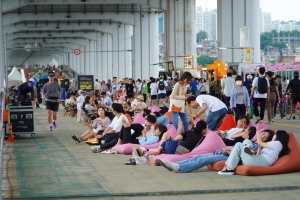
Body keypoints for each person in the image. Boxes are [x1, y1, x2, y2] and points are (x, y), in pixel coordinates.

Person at [159, 129, 275, 173]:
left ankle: (180, 168)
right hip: (227, 152)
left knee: (204, 159)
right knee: (198, 156)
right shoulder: (252, 142)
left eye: (265, 136)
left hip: (232, 158)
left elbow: (250, 157)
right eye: (263, 133)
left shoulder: (260, 148)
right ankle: (176, 165)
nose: (262, 136)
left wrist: (229, 152)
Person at [218, 130, 290, 175]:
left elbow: (260, 143)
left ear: (278, 136)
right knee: (247, 141)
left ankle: (229, 169)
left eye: (275, 135)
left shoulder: (278, 143)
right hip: (259, 160)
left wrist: (258, 134)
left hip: (261, 162)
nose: (274, 136)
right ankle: (248, 147)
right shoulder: (275, 145)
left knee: (238, 145)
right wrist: (259, 147)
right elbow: (259, 153)